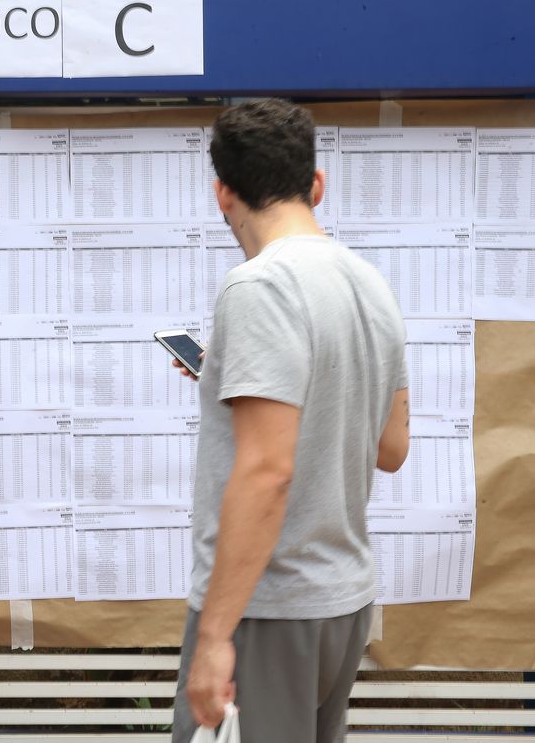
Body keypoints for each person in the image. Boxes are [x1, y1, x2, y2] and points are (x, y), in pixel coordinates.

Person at [171, 99, 410, 743]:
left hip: (268, 610)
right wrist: (236, 383)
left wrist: (216, 636)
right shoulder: (369, 283)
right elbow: (391, 447)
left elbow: (268, 471)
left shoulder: (258, 287)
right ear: (318, 184)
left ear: (223, 193)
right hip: (342, 603)